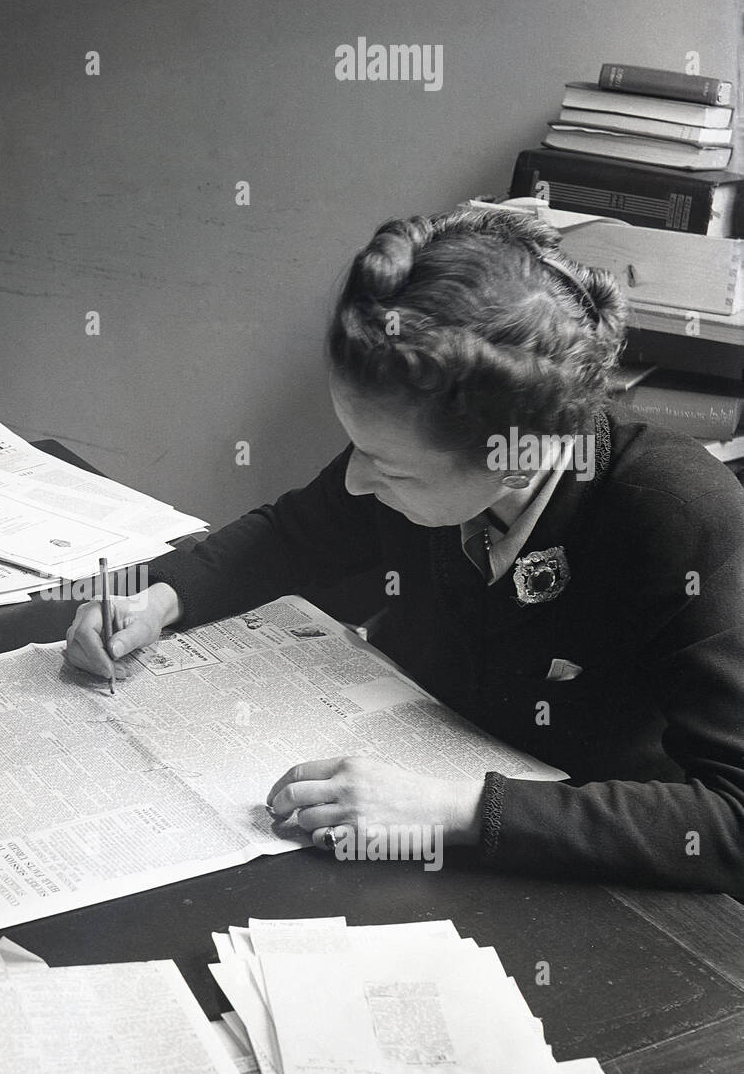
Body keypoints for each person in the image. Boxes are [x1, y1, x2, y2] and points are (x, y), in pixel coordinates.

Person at [64, 205, 744, 894]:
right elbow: (295, 533)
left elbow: (732, 822)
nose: (357, 479)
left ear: (518, 455)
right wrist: (159, 598)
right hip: (404, 786)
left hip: (579, 876)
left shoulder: (679, 514)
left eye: (391, 467)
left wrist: (450, 810)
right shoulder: (424, 434)